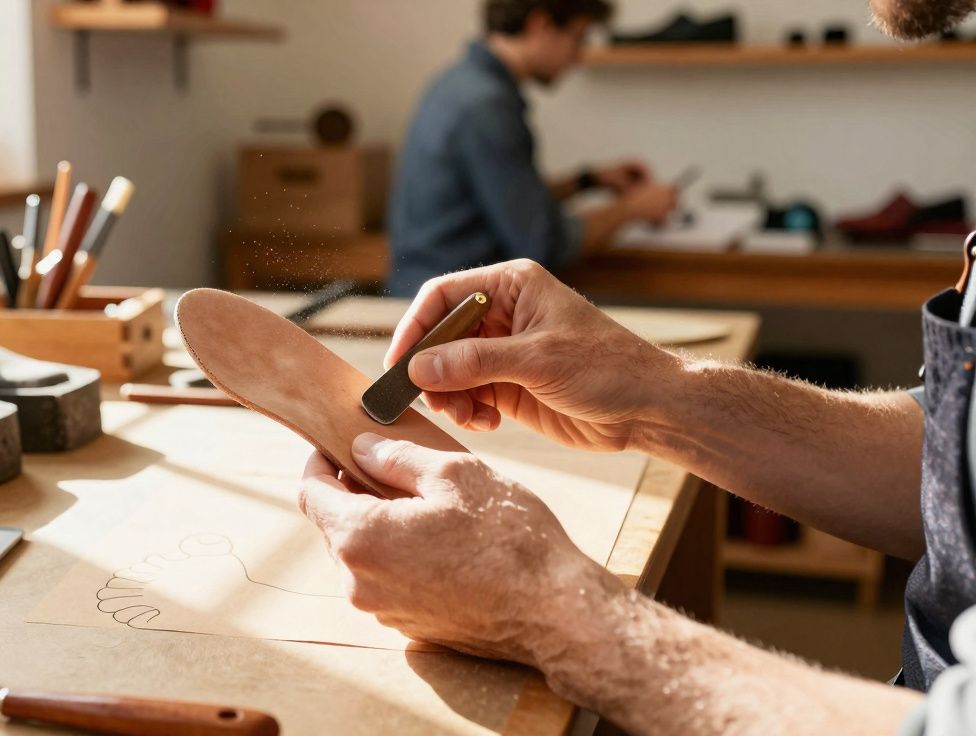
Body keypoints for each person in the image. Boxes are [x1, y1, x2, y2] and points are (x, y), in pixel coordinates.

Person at [300, 4, 976, 732]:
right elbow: (951, 464)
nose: (584, 53)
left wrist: (552, 612)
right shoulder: (488, 102)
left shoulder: (458, 87)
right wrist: (651, 396)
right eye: (579, 32)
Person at [385, 0, 679, 297]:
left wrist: (586, 181)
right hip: (451, 315)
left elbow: (500, 202)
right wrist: (633, 208)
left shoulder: (460, 84)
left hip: (424, 296)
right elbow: (543, 247)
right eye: (577, 38)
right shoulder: (487, 107)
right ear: (540, 25)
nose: (578, 57)